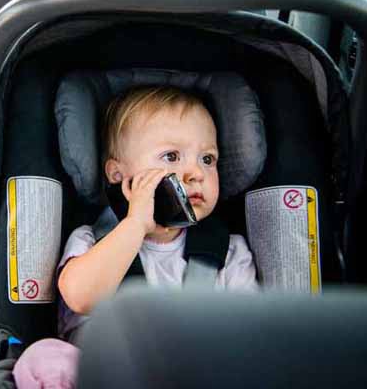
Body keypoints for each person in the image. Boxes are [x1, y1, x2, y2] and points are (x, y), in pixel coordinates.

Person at [13, 86, 258, 389]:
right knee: (43, 359)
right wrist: (135, 224)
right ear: (118, 176)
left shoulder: (229, 251)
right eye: (171, 156)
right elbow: (80, 297)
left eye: (208, 159)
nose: (196, 172)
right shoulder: (93, 240)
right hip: (109, 374)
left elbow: (249, 333)